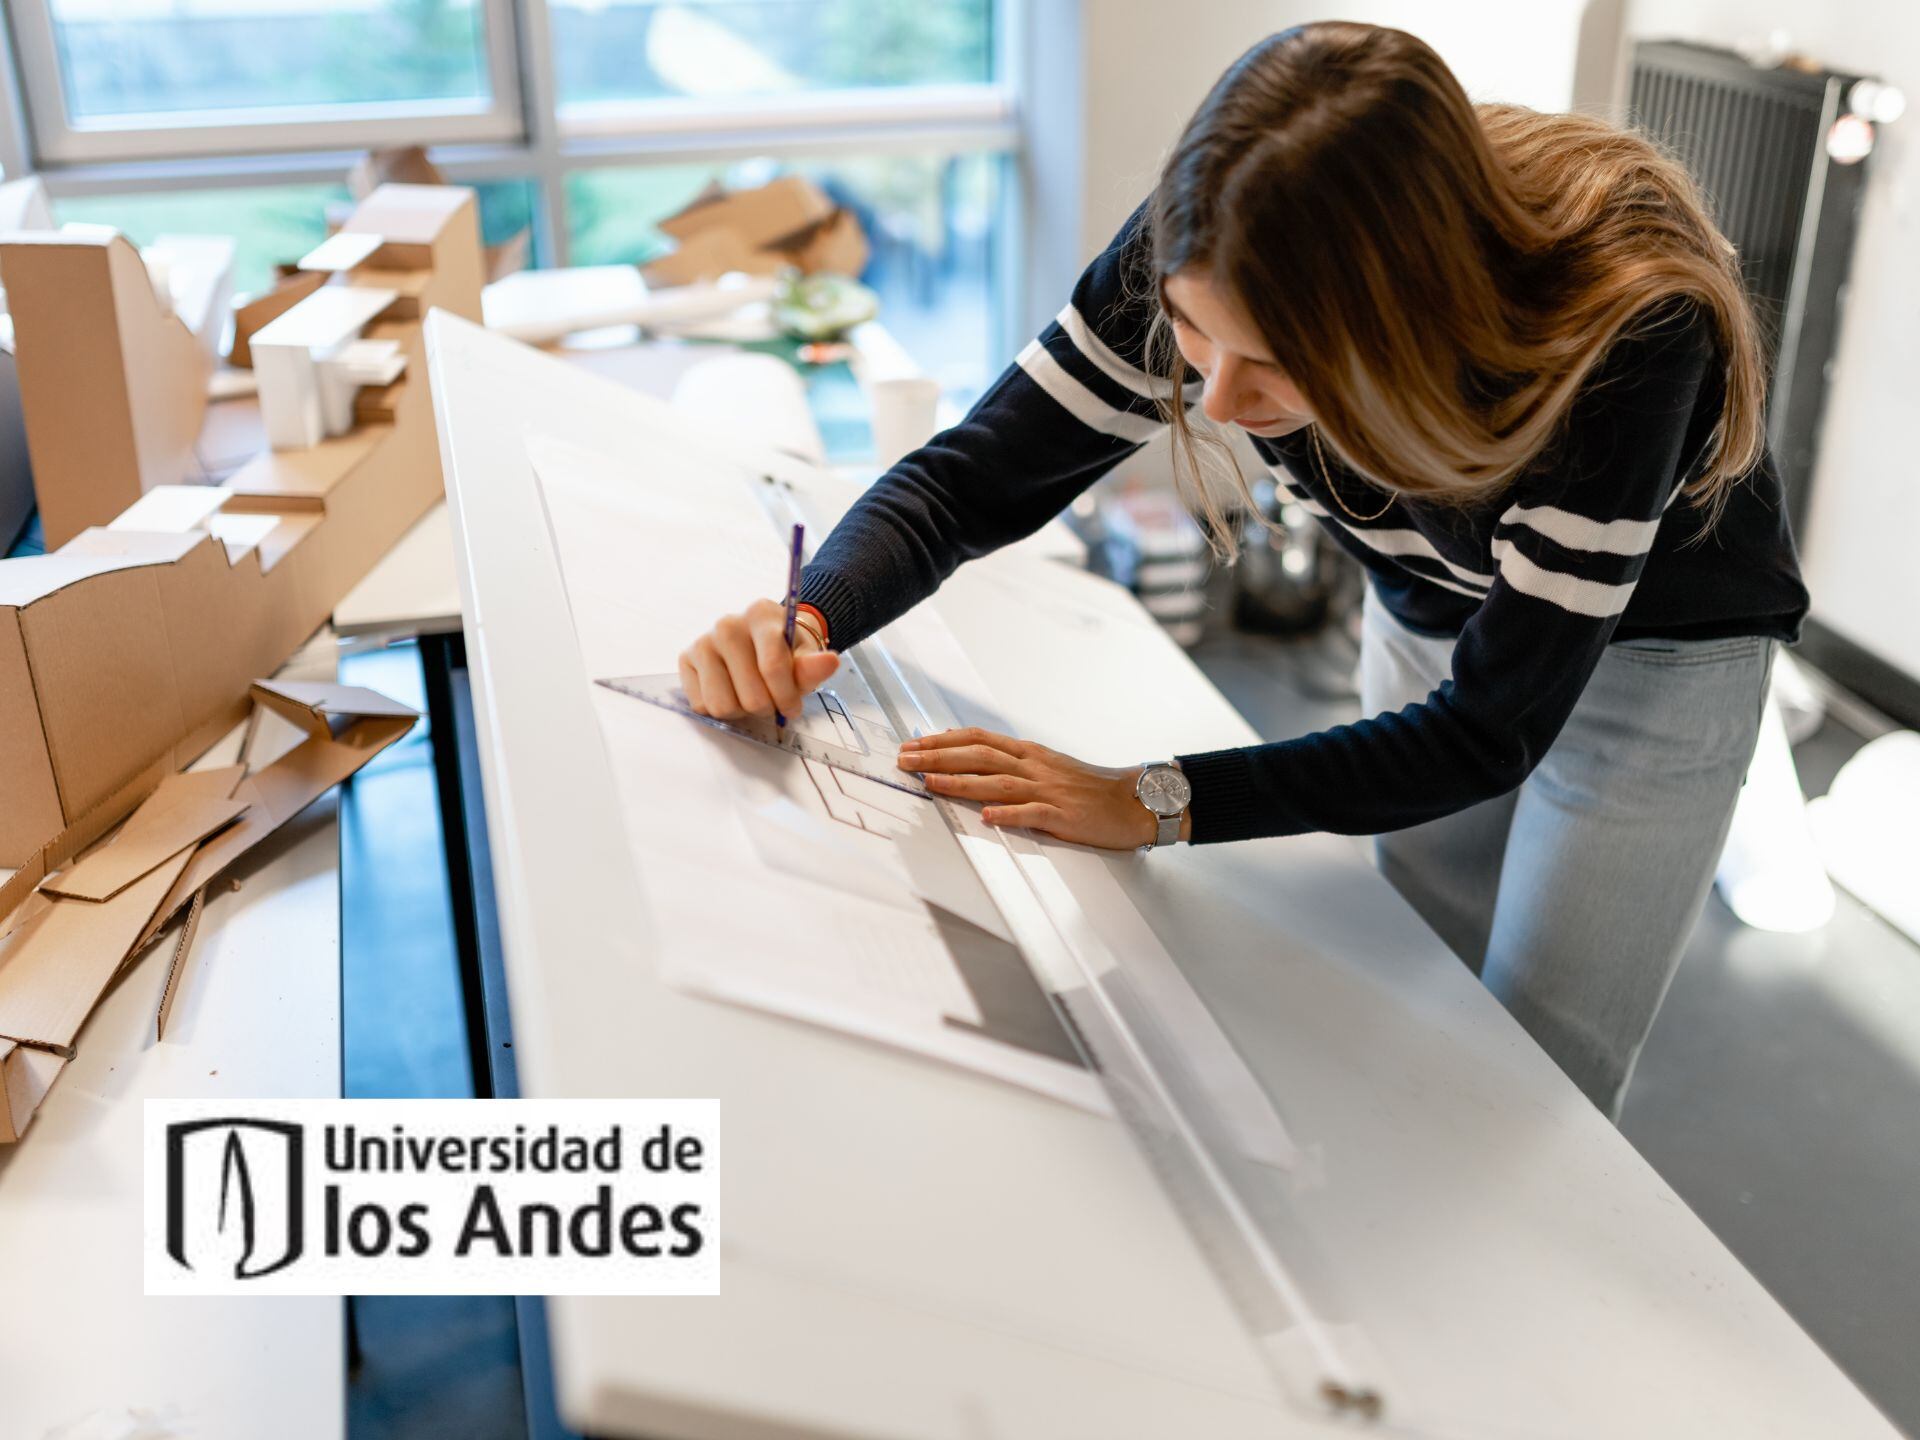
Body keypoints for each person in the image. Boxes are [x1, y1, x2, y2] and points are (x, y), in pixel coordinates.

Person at [675, 22, 1806, 1119]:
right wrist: (809, 618)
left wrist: (1151, 800)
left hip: (1657, 651)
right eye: (1194, 333)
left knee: (1542, 1073)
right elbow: (966, 482)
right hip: (1433, 600)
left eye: (1275, 362)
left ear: (1413, 316)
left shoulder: (1627, 338)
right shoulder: (1210, 241)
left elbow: (1484, 734)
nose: (1216, 398)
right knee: (1423, 970)